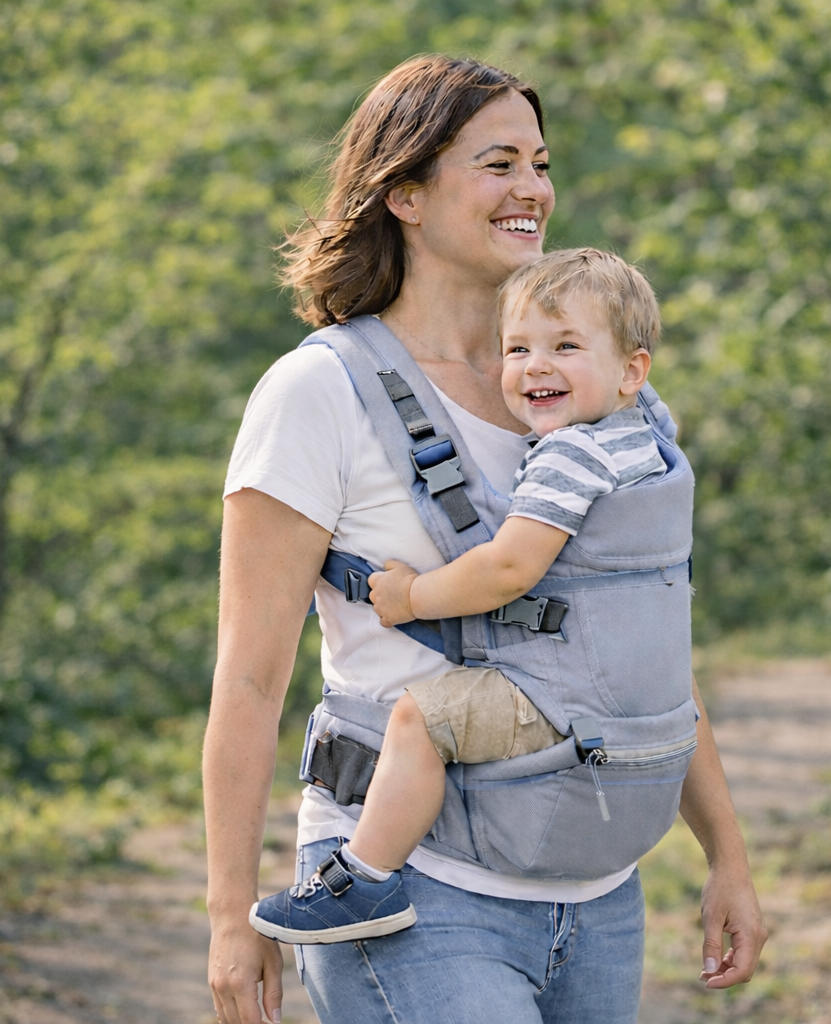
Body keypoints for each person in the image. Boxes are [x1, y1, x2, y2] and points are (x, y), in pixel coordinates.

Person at [205, 54, 767, 1024]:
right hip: (414, 896)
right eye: (499, 163)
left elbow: (639, 647)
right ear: (406, 193)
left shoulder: (592, 395)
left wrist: (727, 857)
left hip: (596, 893)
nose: (534, 191)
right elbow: (250, 680)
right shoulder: (316, 393)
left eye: (540, 163)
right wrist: (227, 913)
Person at [248, 247, 676, 944]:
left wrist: (412, 595)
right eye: (518, 348)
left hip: (554, 692)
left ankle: (367, 877)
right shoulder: (649, 442)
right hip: (630, 697)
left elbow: (509, 570)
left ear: (632, 369)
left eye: (564, 346)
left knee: (421, 723)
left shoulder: (570, 454)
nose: (536, 365)